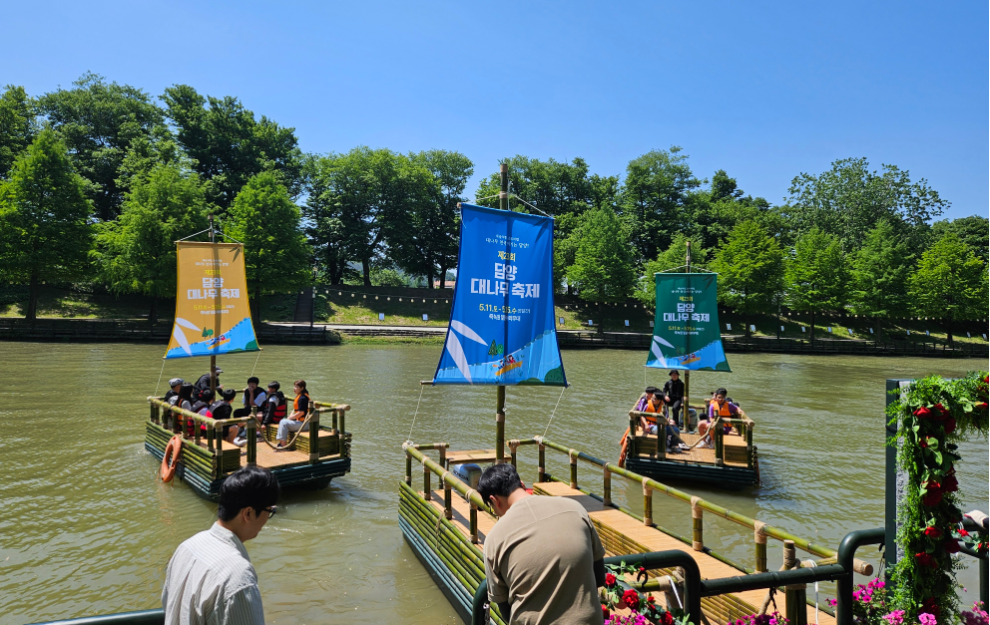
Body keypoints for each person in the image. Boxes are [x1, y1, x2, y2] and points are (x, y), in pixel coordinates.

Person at [478, 463, 605, 625]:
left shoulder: (494, 540)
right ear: (522, 485)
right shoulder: (575, 509)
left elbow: (505, 609)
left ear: (494, 501)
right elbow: (599, 577)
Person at [162, 465, 279, 625]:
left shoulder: (187, 546)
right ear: (248, 513)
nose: (267, 519)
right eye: (269, 511)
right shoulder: (238, 578)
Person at [274, 380, 310, 450]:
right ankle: (281, 443)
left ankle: (283, 445)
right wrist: (290, 417)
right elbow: (295, 411)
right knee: (283, 421)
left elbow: (301, 413)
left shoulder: (303, 398)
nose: (294, 388)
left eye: (296, 387)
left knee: (283, 422)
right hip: (300, 422)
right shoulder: (300, 396)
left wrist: (290, 418)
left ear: (302, 388)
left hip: (304, 424)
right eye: (294, 386)